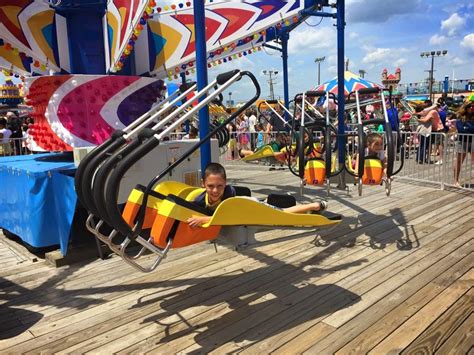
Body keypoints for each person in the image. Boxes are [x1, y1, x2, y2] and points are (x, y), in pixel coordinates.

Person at [187, 163, 327, 227]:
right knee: (274, 207)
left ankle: (315, 205)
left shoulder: (228, 194)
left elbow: (225, 217)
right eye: (210, 186)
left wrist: (203, 219)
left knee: (282, 214)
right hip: (245, 209)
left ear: (226, 184)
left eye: (220, 186)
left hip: (250, 206)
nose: (215, 191)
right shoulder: (199, 199)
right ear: (203, 184)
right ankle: (269, 200)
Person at [453, 99, 474, 187]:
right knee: (459, 161)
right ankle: (455, 181)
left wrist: (468, 127)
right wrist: (470, 127)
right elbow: (461, 129)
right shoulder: (460, 117)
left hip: (472, 140)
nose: (472, 108)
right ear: (466, 107)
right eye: (471, 106)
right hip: (462, 141)